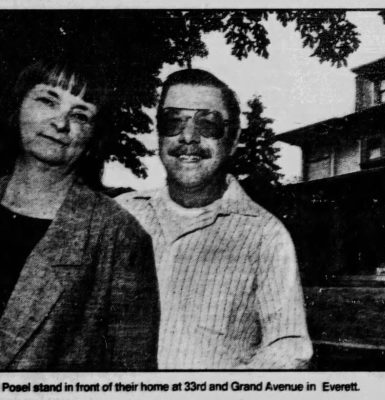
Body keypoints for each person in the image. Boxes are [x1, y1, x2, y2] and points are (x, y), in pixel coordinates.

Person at [117, 69, 312, 369]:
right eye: (173, 121)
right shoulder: (121, 215)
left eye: (207, 124)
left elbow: (289, 348)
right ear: (158, 135)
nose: (188, 137)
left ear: (232, 141)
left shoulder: (266, 236)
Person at [0, 59, 160, 370]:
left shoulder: (118, 235)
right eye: (48, 100)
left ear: (93, 138)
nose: (60, 123)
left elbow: (132, 373)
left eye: (80, 115)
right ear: (18, 106)